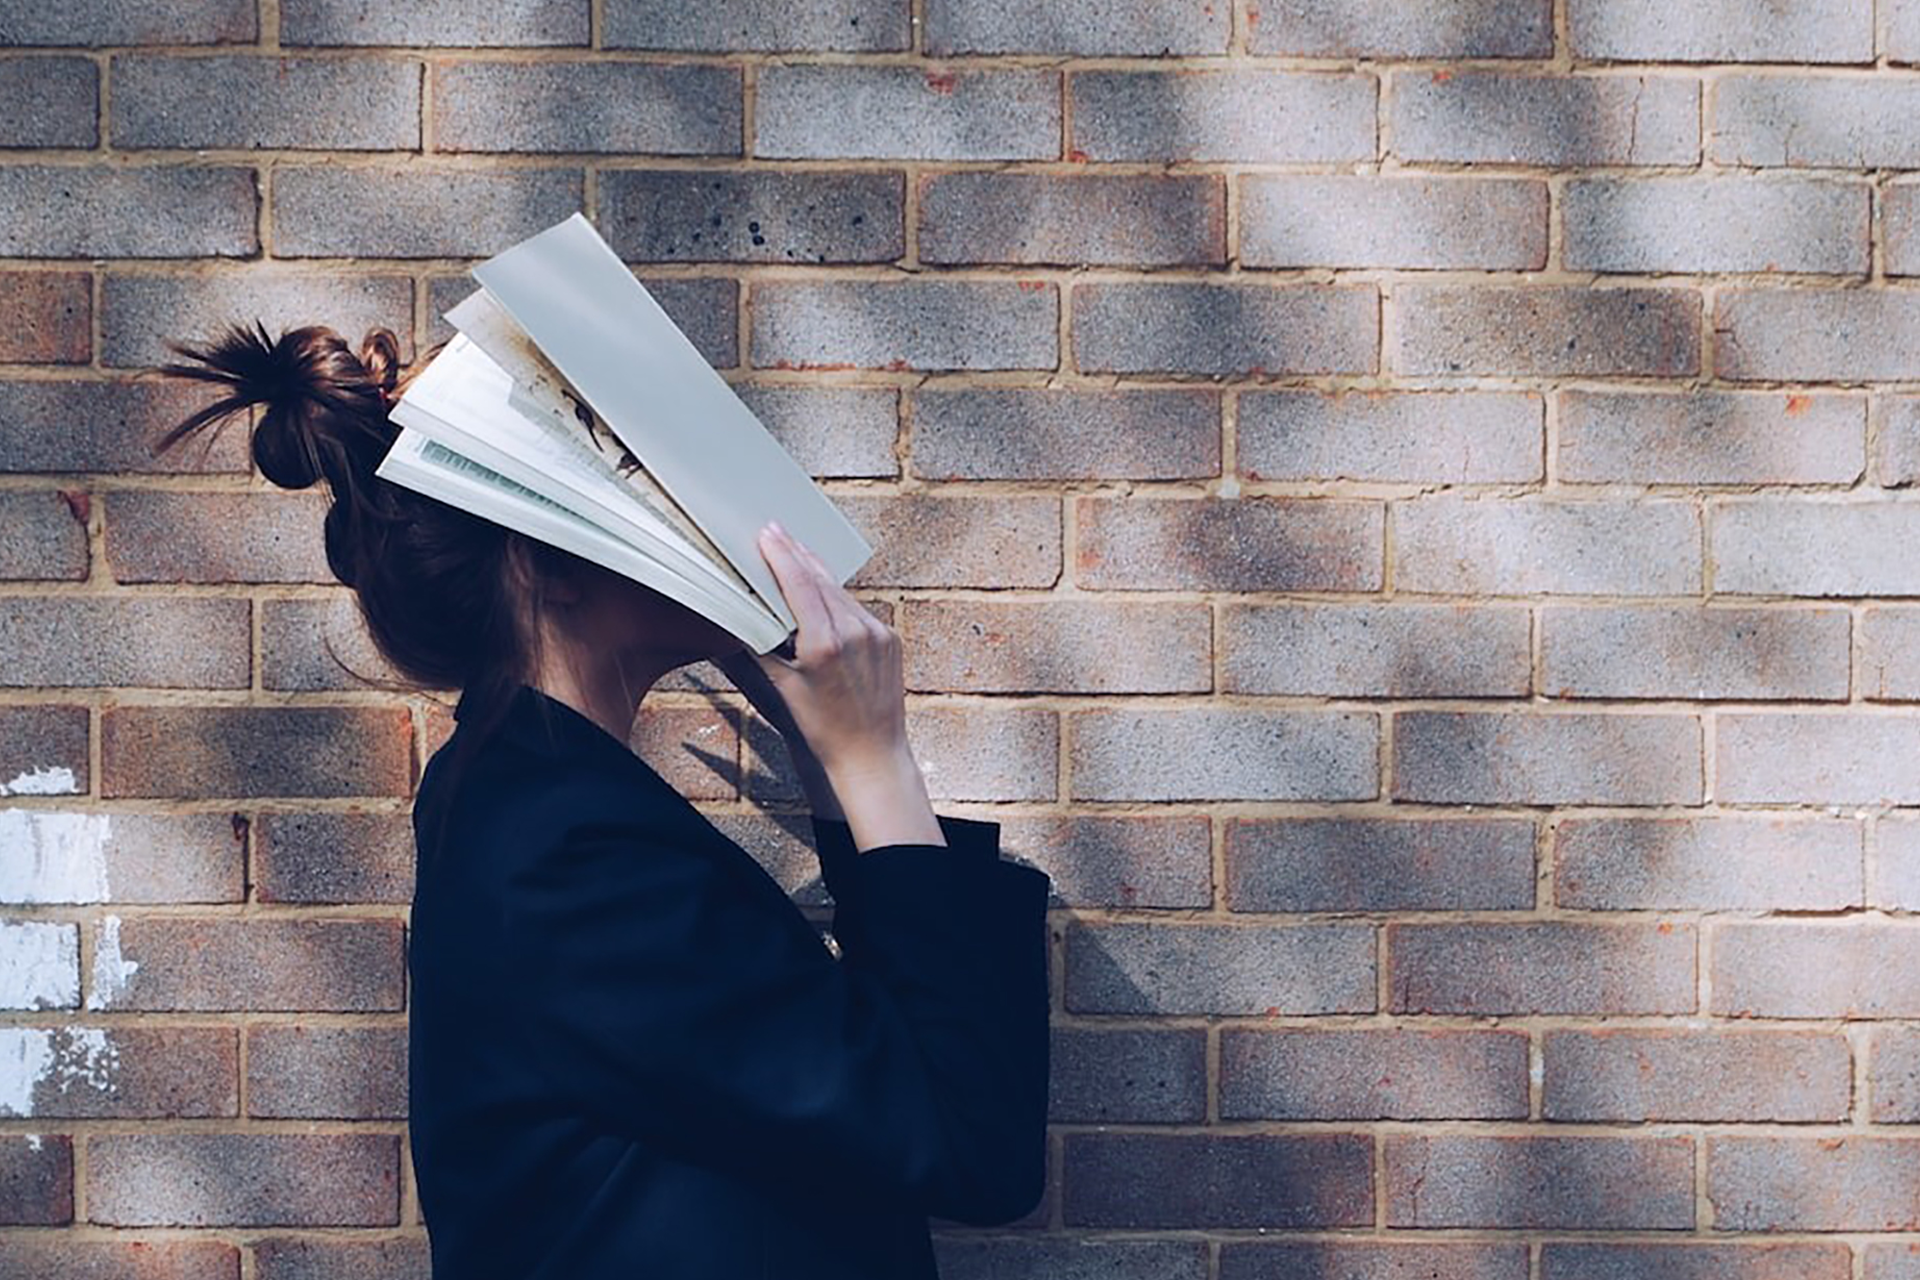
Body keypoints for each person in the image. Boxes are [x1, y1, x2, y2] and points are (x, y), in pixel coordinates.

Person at [151, 321, 1053, 1278]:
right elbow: (969, 1143)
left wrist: (824, 746)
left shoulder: (537, 809)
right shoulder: (565, 857)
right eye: (638, 483)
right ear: (546, 562)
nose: (693, 512)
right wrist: (875, 761)